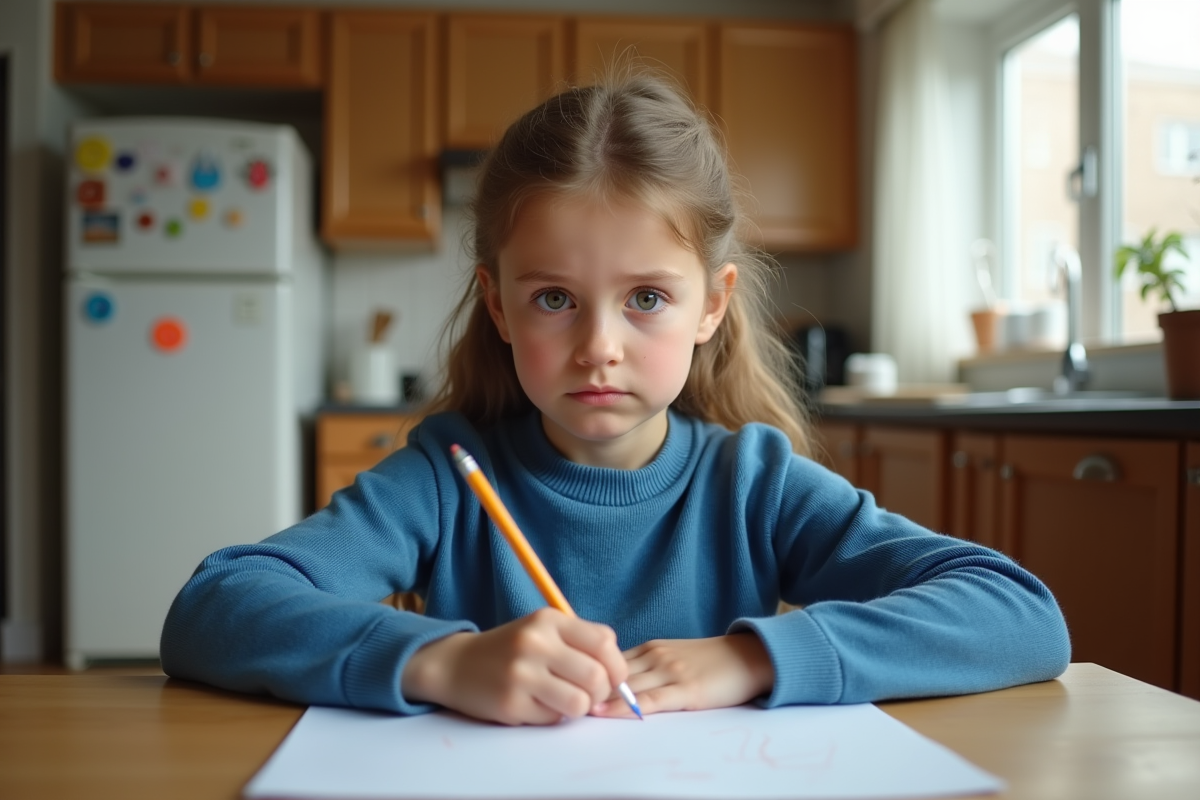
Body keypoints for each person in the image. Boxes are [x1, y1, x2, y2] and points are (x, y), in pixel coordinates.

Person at [161, 73, 1070, 726]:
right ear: (500, 307)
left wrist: (752, 659)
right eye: (554, 298)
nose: (600, 346)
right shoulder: (447, 475)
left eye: (647, 298)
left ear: (711, 304)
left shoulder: (751, 483)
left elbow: (1018, 613)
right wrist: (440, 662)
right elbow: (214, 605)